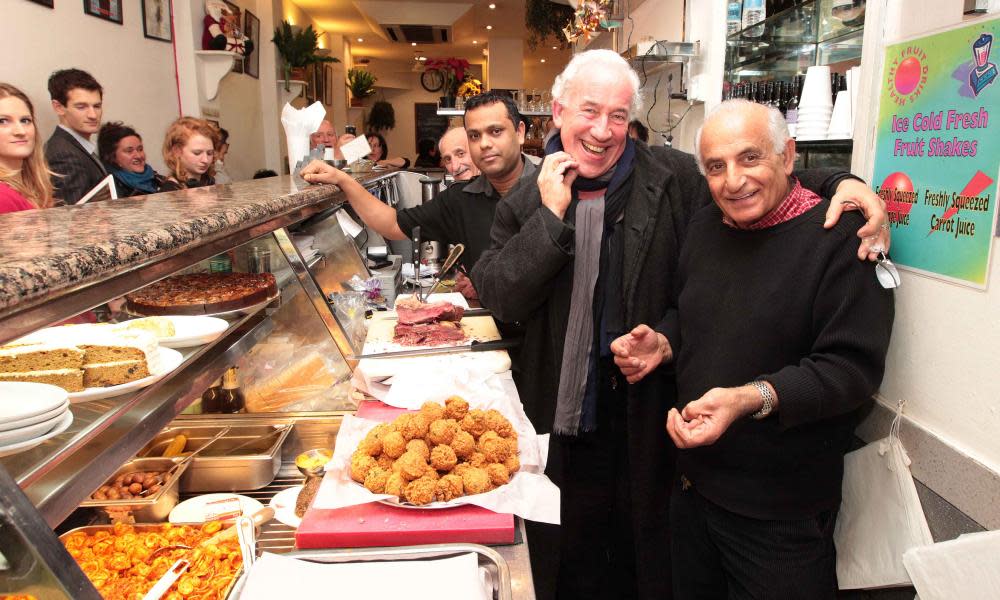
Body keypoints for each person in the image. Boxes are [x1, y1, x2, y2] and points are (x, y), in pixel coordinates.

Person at [471, 49, 892, 600]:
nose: (602, 130)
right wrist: (550, 219)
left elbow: (751, 177)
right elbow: (500, 296)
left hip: (653, 428)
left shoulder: (673, 180)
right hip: (562, 425)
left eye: (618, 115)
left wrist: (844, 180)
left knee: (643, 568)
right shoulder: (528, 198)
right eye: (588, 111)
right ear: (556, 112)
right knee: (568, 568)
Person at [615, 99, 894, 598]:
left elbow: (850, 369)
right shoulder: (706, 226)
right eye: (716, 167)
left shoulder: (842, 238)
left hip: (780, 515)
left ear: (788, 156)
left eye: (750, 158)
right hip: (693, 491)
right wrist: (664, 342)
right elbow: (695, 313)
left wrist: (750, 398)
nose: (733, 181)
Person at [300, 91, 540, 278]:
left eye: (496, 131)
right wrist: (343, 180)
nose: (485, 143)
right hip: (493, 328)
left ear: (519, 133)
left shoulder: (553, 185)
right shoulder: (461, 198)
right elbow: (393, 223)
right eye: (475, 136)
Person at [44, 68, 106, 204]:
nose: (93, 115)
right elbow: (72, 218)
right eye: (81, 107)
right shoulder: (64, 155)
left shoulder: (76, 146)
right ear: (58, 107)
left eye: (97, 106)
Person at [0, 83, 55, 213]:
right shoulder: (3, 197)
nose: (20, 131)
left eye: (25, 121)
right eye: (2, 121)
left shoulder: (32, 185)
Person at [97, 122, 165, 197]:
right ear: (112, 157)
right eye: (129, 151)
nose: (138, 156)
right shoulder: (110, 191)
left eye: (140, 149)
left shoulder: (158, 179)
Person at [159, 117, 218, 191]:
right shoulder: (169, 190)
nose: (205, 160)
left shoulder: (209, 181)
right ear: (176, 151)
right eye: (197, 153)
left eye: (210, 153)